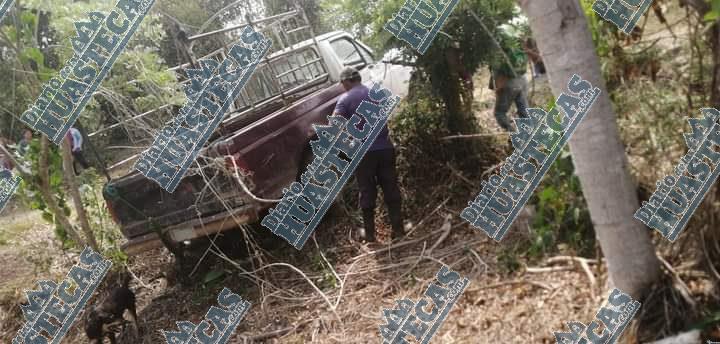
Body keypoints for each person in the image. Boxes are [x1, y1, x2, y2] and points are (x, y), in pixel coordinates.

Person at [333, 66, 404, 243]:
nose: (342, 86)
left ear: (347, 81)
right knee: (391, 187)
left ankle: (371, 236)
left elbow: (336, 124)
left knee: (367, 191)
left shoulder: (344, 99)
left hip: (363, 154)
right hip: (385, 148)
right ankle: (398, 230)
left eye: (342, 83)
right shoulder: (375, 93)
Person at [490, 34, 530, 132]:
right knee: (524, 111)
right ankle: (527, 135)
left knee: (499, 113)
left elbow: (498, 72)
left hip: (508, 83)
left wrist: (498, 89)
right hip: (522, 80)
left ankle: (512, 132)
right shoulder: (516, 50)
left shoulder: (497, 54)